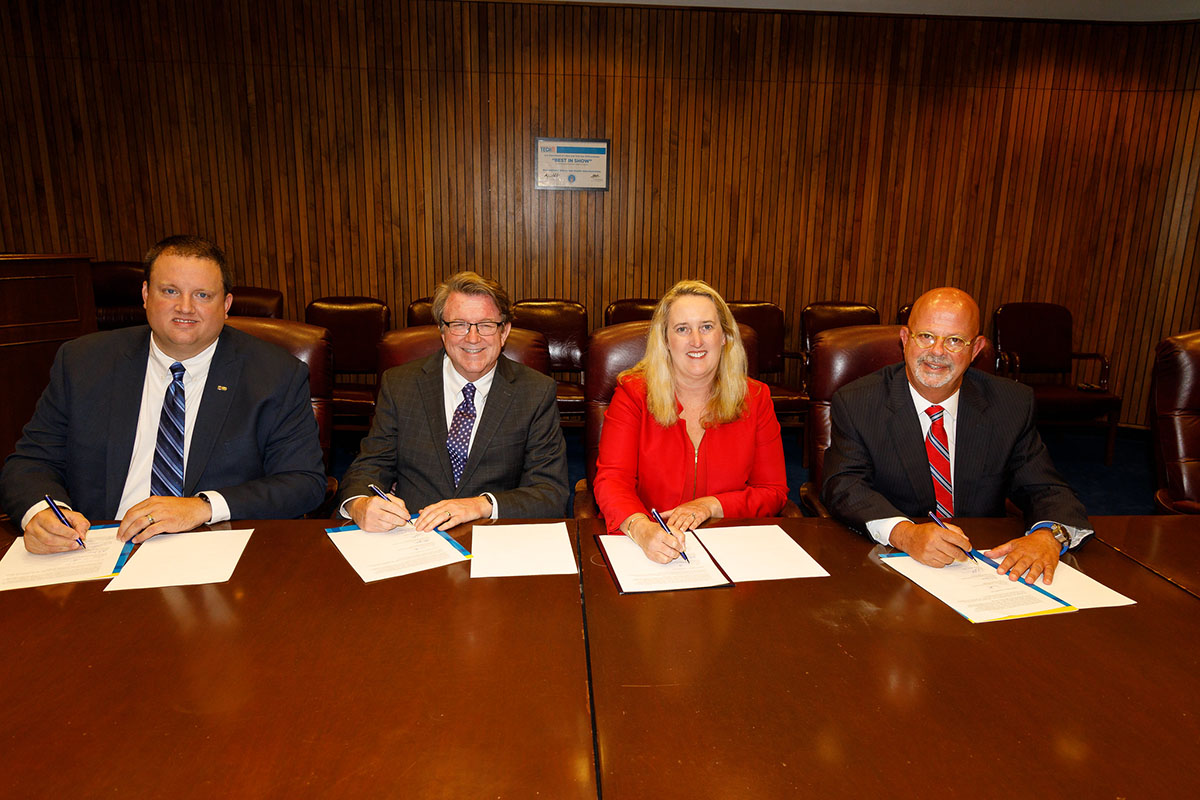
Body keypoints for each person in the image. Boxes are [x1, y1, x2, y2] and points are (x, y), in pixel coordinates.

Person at [1, 235, 327, 553]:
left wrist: (203, 507)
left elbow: (303, 481)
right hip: (98, 547)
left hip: (212, 550)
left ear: (226, 305)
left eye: (202, 295)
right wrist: (44, 514)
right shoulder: (84, 362)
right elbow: (31, 462)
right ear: (145, 294)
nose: (185, 307)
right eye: (170, 291)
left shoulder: (274, 374)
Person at [822, 286, 1092, 584]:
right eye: (925, 336)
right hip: (893, 567)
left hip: (984, 566)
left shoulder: (1011, 404)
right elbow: (844, 485)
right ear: (905, 339)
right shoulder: (859, 401)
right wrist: (905, 533)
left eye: (954, 340)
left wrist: (1048, 535)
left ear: (976, 349)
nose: (937, 352)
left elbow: (1047, 488)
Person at [337, 271, 569, 531]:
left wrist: (479, 505)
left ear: (504, 332)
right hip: (412, 537)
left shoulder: (536, 392)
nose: (472, 337)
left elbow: (550, 492)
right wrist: (359, 505)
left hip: (494, 538)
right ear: (442, 331)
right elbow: (369, 466)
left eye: (486, 325)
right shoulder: (400, 384)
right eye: (459, 324)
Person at [592, 280, 789, 563]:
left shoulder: (756, 398)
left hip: (732, 546)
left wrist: (712, 505)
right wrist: (641, 528)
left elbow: (773, 491)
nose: (696, 340)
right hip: (646, 549)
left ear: (724, 336)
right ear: (666, 340)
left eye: (707, 327)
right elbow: (612, 481)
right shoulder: (633, 394)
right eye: (682, 329)